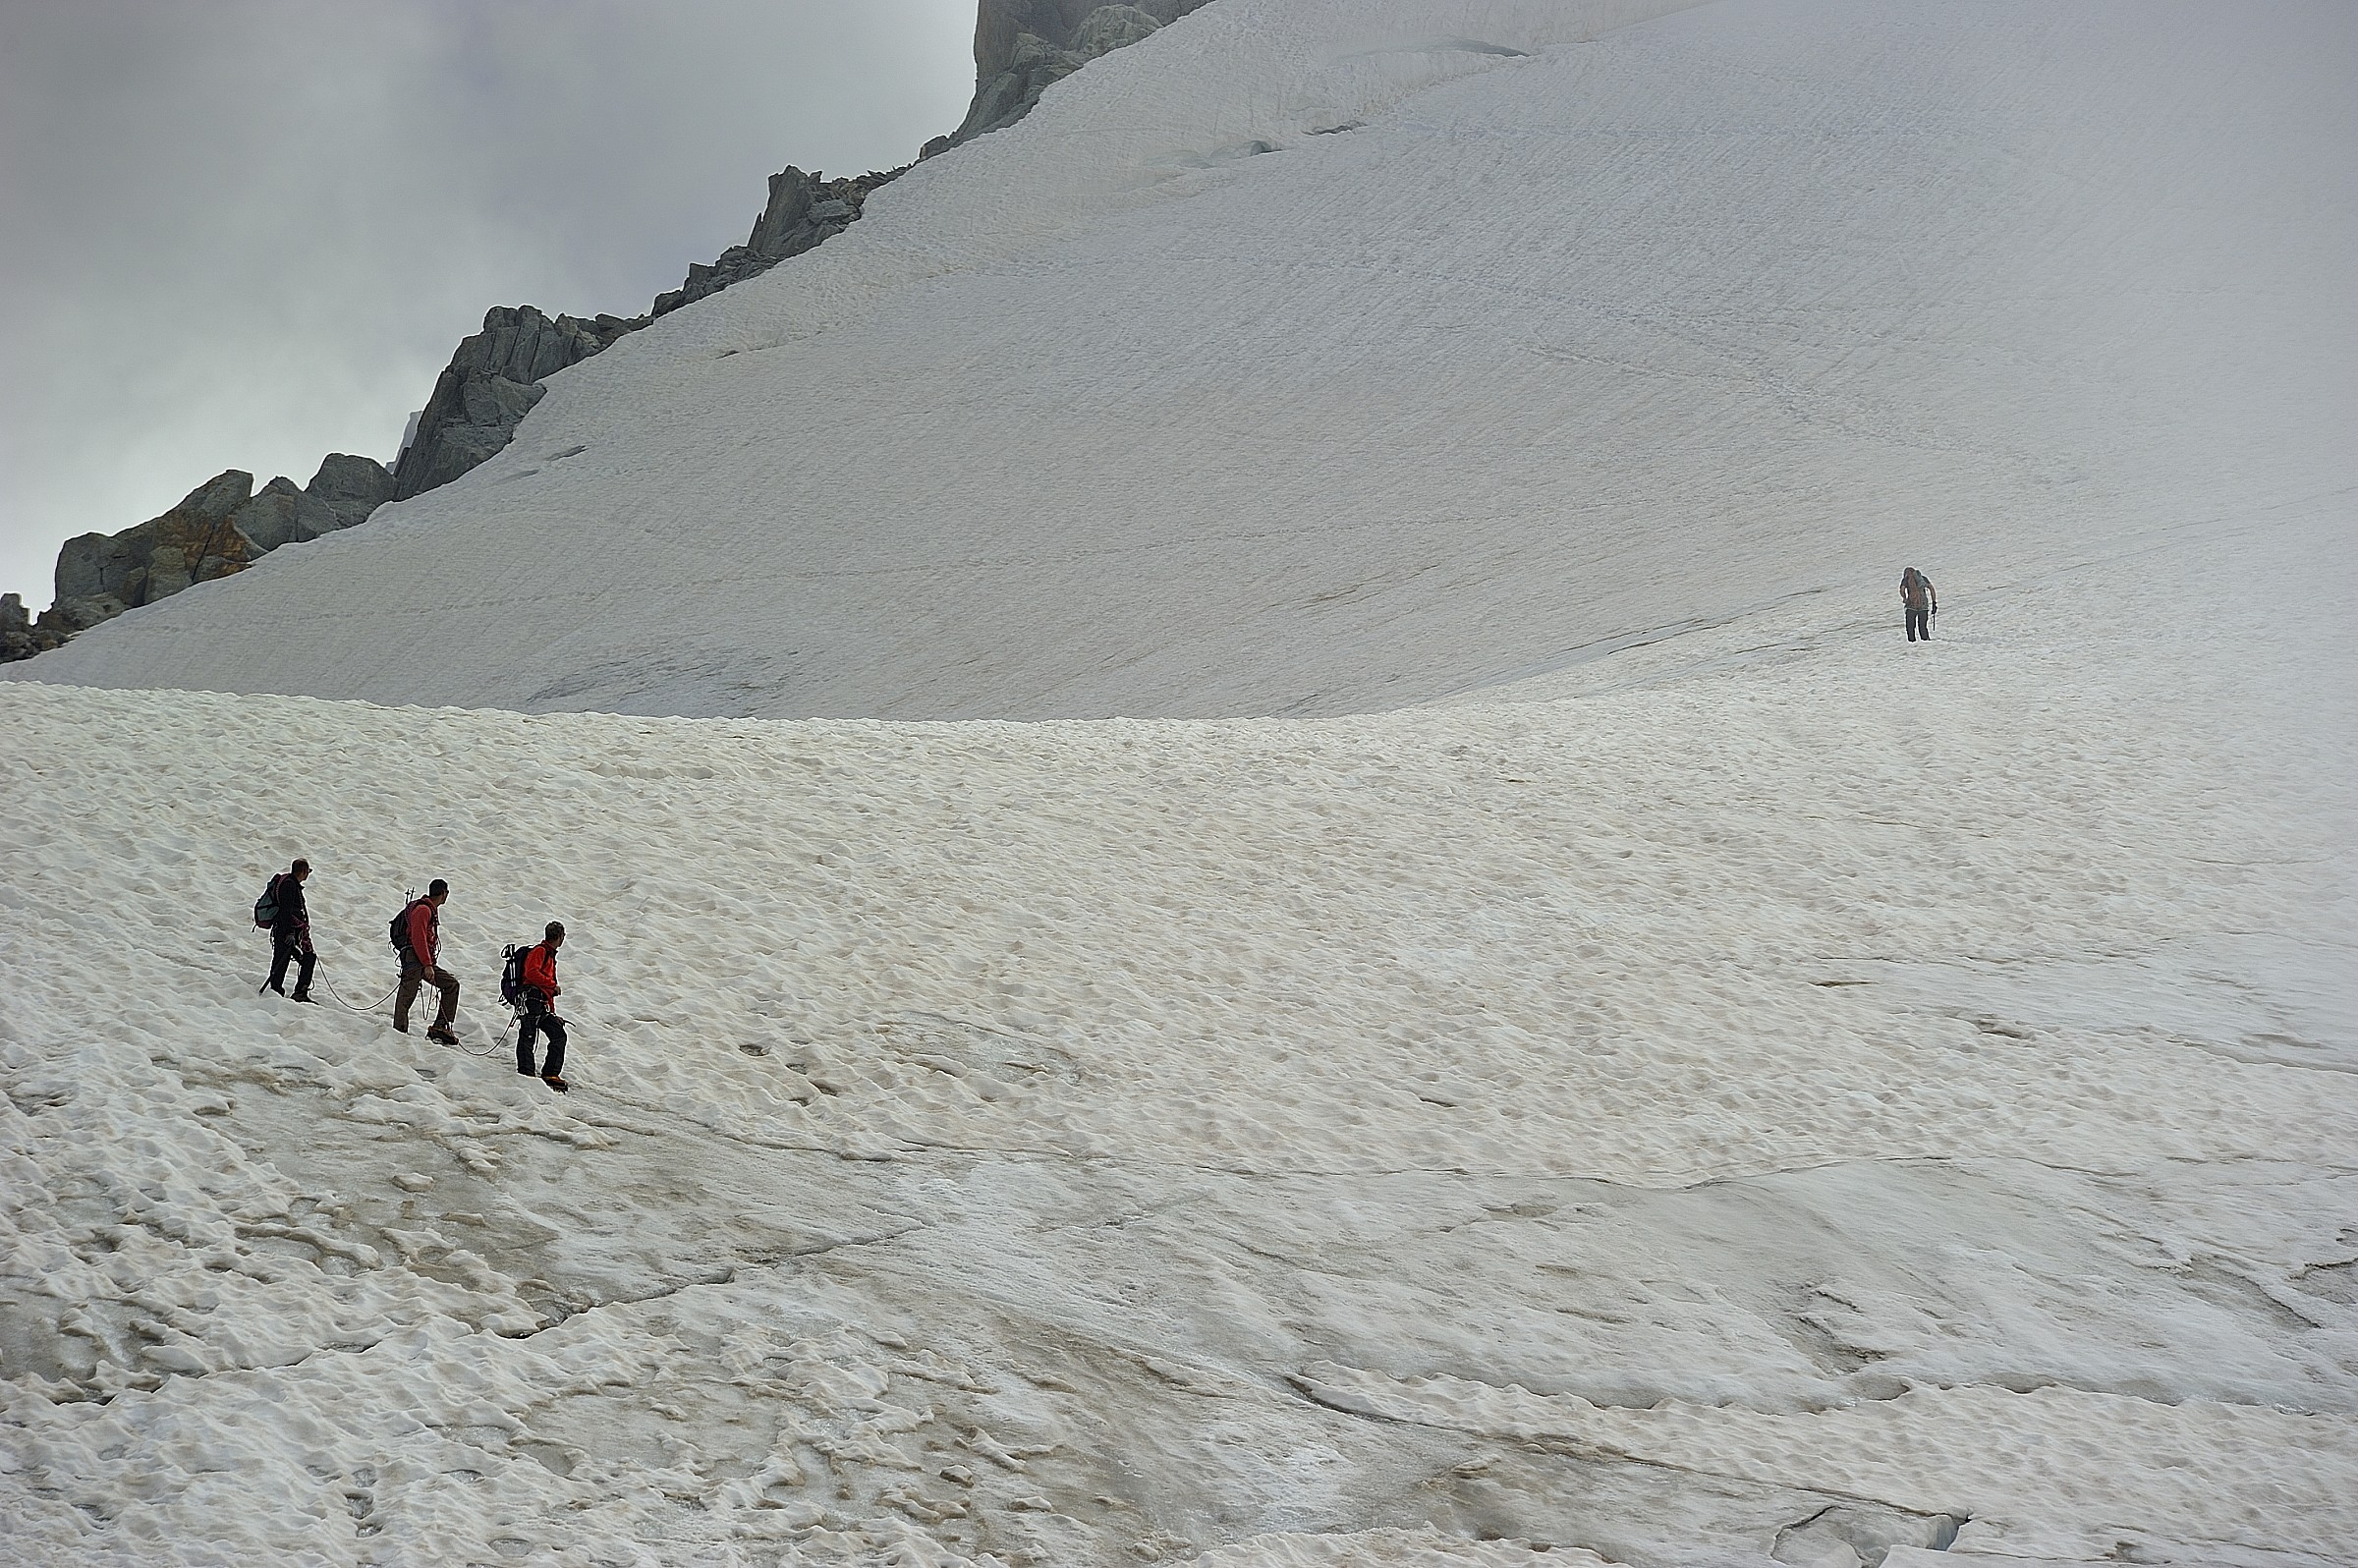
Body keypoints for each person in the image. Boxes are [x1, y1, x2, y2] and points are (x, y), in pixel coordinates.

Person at [394, 878, 461, 1044]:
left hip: (420, 960)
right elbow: (418, 938)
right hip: (415, 959)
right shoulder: (424, 910)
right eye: (447, 892)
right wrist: (428, 964)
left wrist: (428, 963)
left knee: (451, 985)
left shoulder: (427, 909)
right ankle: (398, 1033)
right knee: (407, 995)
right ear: (443, 893)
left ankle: (440, 1027)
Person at [516, 921, 570, 1092]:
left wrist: (552, 1012)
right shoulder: (541, 952)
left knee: (557, 1035)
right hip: (531, 1000)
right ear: (560, 936)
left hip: (540, 1003)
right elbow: (531, 973)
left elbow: (544, 986)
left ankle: (549, 1073)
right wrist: (552, 985)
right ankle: (527, 1072)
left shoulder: (548, 954)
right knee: (528, 1035)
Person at [263, 858, 316, 1002]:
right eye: (308, 871)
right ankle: (298, 992)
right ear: (303, 871)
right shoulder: (289, 886)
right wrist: (290, 933)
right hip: (287, 932)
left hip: (284, 930)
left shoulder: (287, 882)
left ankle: (276, 989)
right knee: (307, 958)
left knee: (281, 959)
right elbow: (286, 911)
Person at [1900, 566, 1937, 642]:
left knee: (1910, 626)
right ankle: (1926, 641)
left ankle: (1912, 642)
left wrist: (1905, 598)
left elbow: (1902, 590)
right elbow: (1931, 588)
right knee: (1922, 626)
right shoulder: (1923, 578)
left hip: (1911, 605)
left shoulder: (1906, 579)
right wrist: (1934, 603)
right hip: (1923, 605)